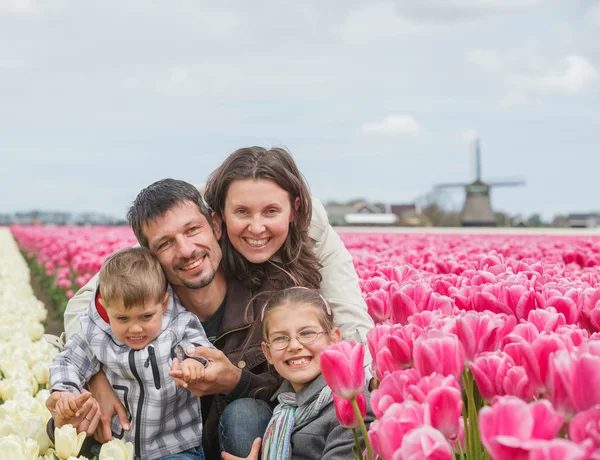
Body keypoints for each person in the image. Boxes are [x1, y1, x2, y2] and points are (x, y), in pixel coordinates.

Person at [49, 247, 211, 460]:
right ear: (105, 308)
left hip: (174, 447)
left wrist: (195, 362)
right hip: (115, 444)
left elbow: (203, 350)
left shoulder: (180, 326)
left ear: (163, 304)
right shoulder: (95, 333)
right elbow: (68, 360)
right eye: (123, 319)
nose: (135, 329)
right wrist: (65, 391)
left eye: (146, 317)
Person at [203, 146, 373, 348]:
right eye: (242, 211)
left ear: (295, 208)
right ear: (220, 213)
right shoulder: (190, 216)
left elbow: (348, 314)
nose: (257, 228)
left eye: (271, 211)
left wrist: (368, 369)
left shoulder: (314, 229)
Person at [219, 287, 374, 460]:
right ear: (267, 352)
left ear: (333, 340)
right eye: (280, 338)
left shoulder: (354, 407)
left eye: (307, 333)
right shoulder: (283, 409)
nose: (294, 345)